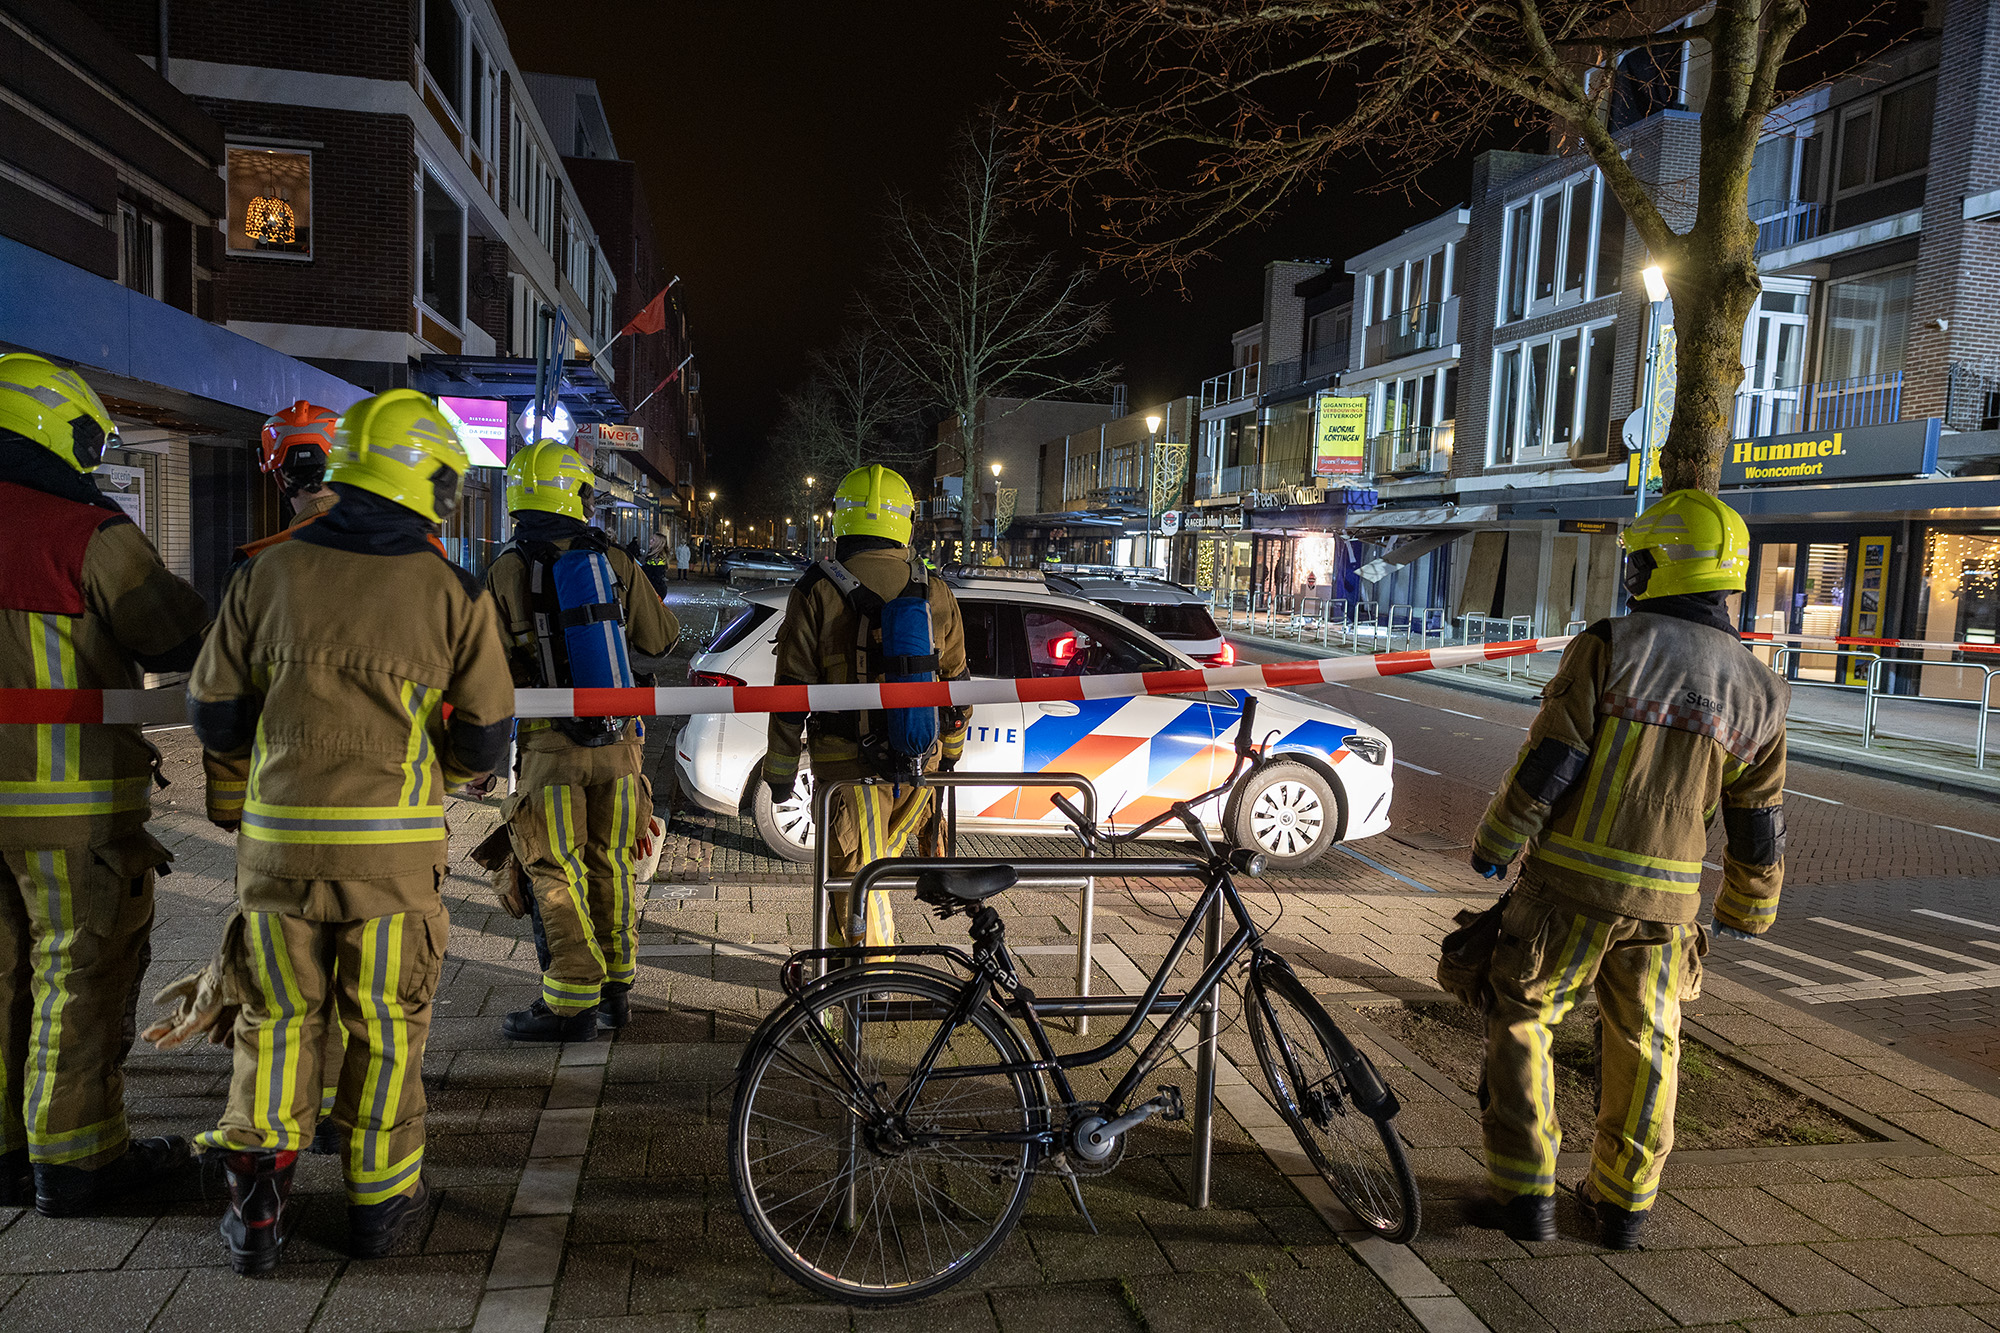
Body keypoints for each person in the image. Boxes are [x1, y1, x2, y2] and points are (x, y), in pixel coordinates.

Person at [187, 389, 514, 1275]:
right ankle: (376, 1208)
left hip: (278, 858)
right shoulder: (454, 591)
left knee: (277, 1019)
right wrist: (418, 772)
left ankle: (257, 1216)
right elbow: (484, 739)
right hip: (394, 867)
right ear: (426, 479)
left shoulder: (266, 573)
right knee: (384, 1026)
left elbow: (213, 716)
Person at [1468, 490, 1787, 1251]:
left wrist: (1497, 840)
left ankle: (1526, 1194)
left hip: (1567, 895)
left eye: (1640, 560)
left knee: (1523, 1020)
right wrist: (1748, 906)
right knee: (1649, 1045)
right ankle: (1622, 1206)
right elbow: (1758, 816)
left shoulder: (1611, 644)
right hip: (1668, 911)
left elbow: (1551, 760)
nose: (1633, 573)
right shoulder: (1760, 688)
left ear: (1663, 566)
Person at [0, 352, 210, 1216]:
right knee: (79, 970)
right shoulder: (83, 530)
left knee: (3, 971)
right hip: (66, 804)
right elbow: (168, 633)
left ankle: (7, 1154)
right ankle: (79, 1160)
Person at [486, 439, 678, 1042]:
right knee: (612, 864)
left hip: (548, 752)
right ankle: (617, 993)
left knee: (555, 869)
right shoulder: (613, 561)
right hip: (620, 747)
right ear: (579, 497)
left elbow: (483, 673)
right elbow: (663, 641)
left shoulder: (505, 568)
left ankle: (570, 1006)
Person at [762, 465, 969, 950]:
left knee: (855, 879)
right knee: (880, 872)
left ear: (841, 520)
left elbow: (790, 692)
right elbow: (958, 689)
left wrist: (781, 771)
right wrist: (950, 756)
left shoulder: (817, 588)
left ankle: (865, 988)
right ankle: (848, 977)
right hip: (921, 764)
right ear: (907, 520)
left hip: (847, 768)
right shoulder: (934, 588)